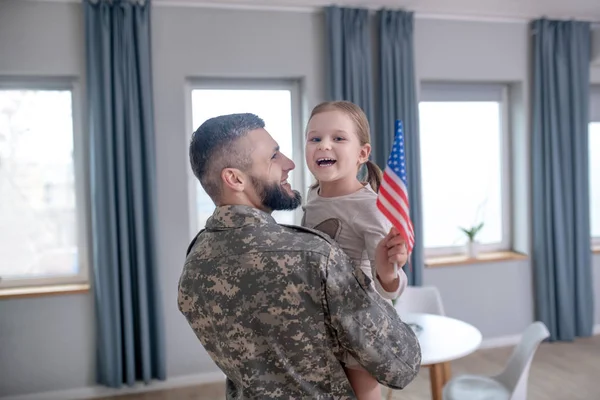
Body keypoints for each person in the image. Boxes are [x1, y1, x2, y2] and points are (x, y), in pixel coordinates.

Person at [178, 113, 421, 399]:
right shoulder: (314, 257)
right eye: (274, 157)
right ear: (234, 178)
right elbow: (402, 363)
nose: (290, 164)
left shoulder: (194, 264)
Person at [302, 100, 410, 400]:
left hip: (358, 322)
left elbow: (390, 287)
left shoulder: (369, 206)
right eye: (315, 138)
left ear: (362, 153)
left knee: (363, 394)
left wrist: (388, 271)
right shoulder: (312, 196)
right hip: (323, 323)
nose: (324, 145)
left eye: (338, 138)